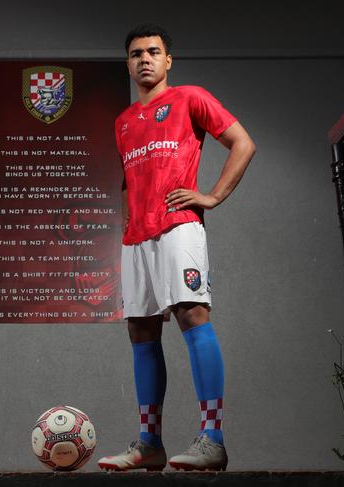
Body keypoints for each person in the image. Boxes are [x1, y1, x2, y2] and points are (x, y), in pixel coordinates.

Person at [97, 24, 256, 472]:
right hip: (137, 238)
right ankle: (150, 442)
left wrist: (212, 196)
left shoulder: (190, 98)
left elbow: (243, 143)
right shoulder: (123, 121)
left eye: (153, 52)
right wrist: (129, 218)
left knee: (191, 315)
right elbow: (128, 179)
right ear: (128, 64)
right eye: (135, 54)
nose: (144, 59)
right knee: (141, 333)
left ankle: (212, 438)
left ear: (169, 61)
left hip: (178, 227)